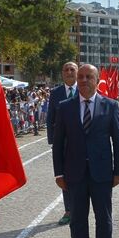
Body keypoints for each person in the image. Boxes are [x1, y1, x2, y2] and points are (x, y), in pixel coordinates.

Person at [52, 64, 119, 238]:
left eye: (88, 77)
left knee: (104, 218)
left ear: (96, 80)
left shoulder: (110, 106)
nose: (83, 80)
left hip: (102, 173)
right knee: (77, 219)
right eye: (81, 77)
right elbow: (58, 144)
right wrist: (59, 173)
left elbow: (118, 141)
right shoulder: (65, 107)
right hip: (74, 174)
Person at [47, 61, 78, 226]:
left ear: (77, 71)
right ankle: (68, 210)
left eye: (72, 69)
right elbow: (50, 117)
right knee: (64, 177)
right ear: (62, 73)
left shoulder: (85, 89)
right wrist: (53, 142)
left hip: (82, 144)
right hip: (63, 144)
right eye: (66, 69)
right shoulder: (56, 93)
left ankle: (82, 208)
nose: (69, 72)